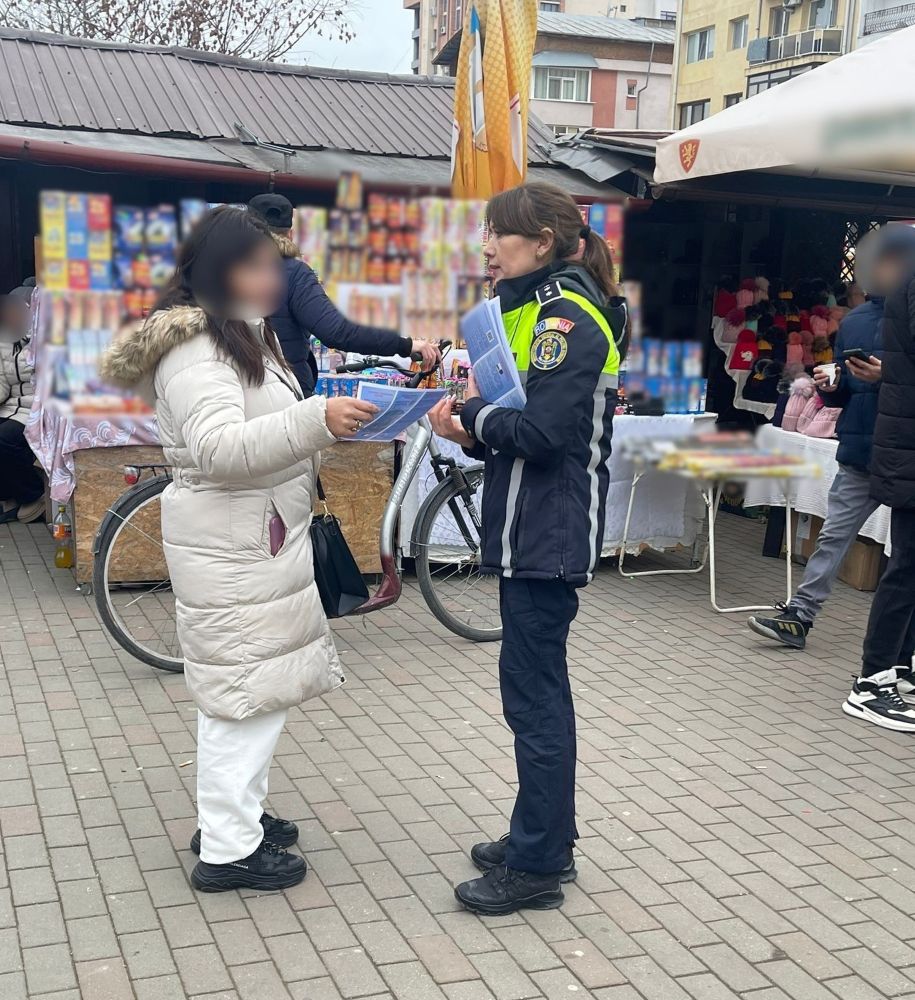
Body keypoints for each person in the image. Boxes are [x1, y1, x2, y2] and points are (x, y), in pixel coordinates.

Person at [100, 207, 378, 892]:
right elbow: (219, 450)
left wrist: (314, 423)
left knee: (254, 694)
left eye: (274, 265)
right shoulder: (201, 348)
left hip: (251, 538)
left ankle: (234, 819)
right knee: (242, 699)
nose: (273, 279)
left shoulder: (242, 331)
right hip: (233, 543)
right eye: (257, 266)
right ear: (222, 271)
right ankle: (228, 850)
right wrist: (315, 419)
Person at [429, 182, 622, 915]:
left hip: (548, 533)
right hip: (533, 528)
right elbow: (529, 425)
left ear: (541, 242)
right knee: (538, 694)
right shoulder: (540, 309)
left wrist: (474, 415)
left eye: (497, 233)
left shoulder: (565, 318)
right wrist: (474, 425)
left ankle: (537, 863)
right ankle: (546, 838)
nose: (485, 246)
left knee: (534, 700)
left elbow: (541, 435)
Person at [747, 227, 915, 649]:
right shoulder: (855, 320)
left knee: (905, 557)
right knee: (834, 535)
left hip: (907, 451)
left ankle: (899, 648)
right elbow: (843, 390)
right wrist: (832, 381)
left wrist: (887, 376)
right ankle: (799, 616)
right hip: (861, 447)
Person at [247, 194, 439, 395]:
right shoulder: (294, 273)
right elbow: (338, 331)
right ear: (291, 234)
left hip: (243, 390)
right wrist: (405, 345)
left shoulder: (231, 273)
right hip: (285, 391)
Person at [843, 230, 915, 732]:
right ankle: (873, 681)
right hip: (908, 447)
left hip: (905, 442)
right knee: (906, 567)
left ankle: (902, 667)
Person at [0, 283, 44, 524]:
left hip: (37, 407)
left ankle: (34, 493)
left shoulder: (43, 338)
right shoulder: (3, 340)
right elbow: (2, 383)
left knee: (4, 439)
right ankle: (9, 496)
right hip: (11, 406)